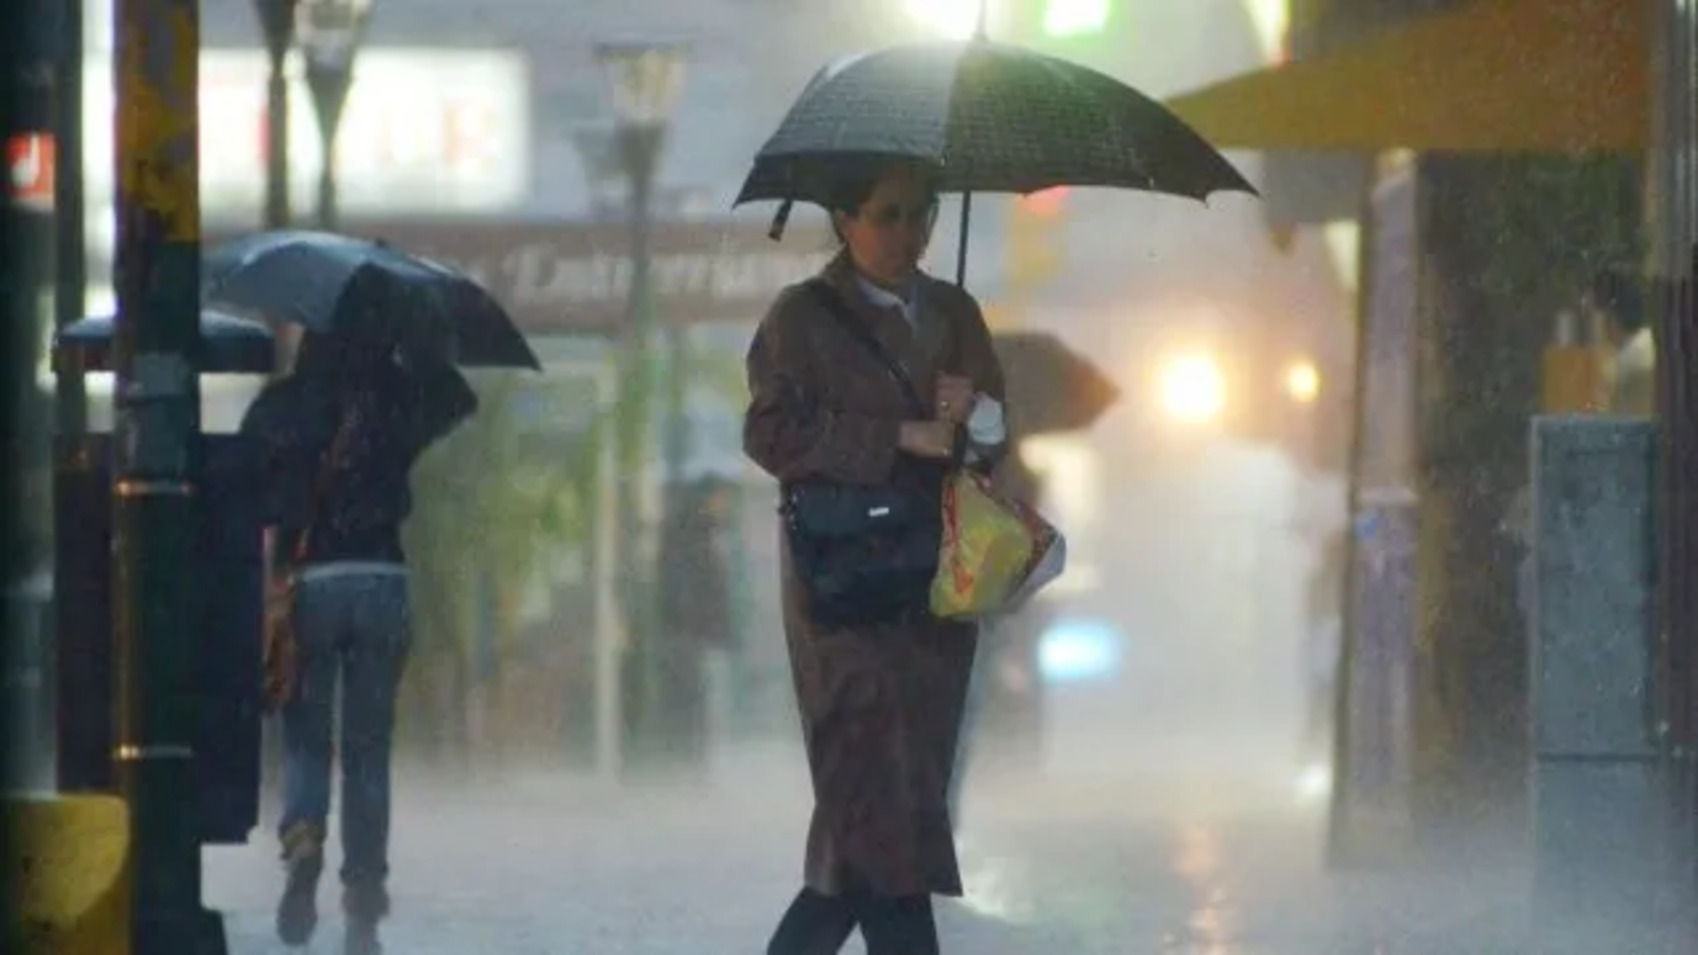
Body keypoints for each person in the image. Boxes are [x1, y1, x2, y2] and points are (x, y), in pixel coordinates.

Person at [743, 159, 1009, 955]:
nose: (908, 232)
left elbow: (990, 449)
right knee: (878, 807)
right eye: (887, 214)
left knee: (882, 824)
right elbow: (770, 433)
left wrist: (978, 415)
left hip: (930, 592)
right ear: (844, 220)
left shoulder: (956, 313)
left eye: (921, 213)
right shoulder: (800, 318)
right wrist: (895, 435)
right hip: (843, 593)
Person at [242, 320, 477, 955]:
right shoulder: (392, 398)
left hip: (311, 585)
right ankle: (364, 900)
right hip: (382, 580)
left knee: (307, 741)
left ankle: (304, 841)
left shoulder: (284, 405)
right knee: (369, 752)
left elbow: (249, 484)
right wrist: (411, 349)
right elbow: (458, 398)